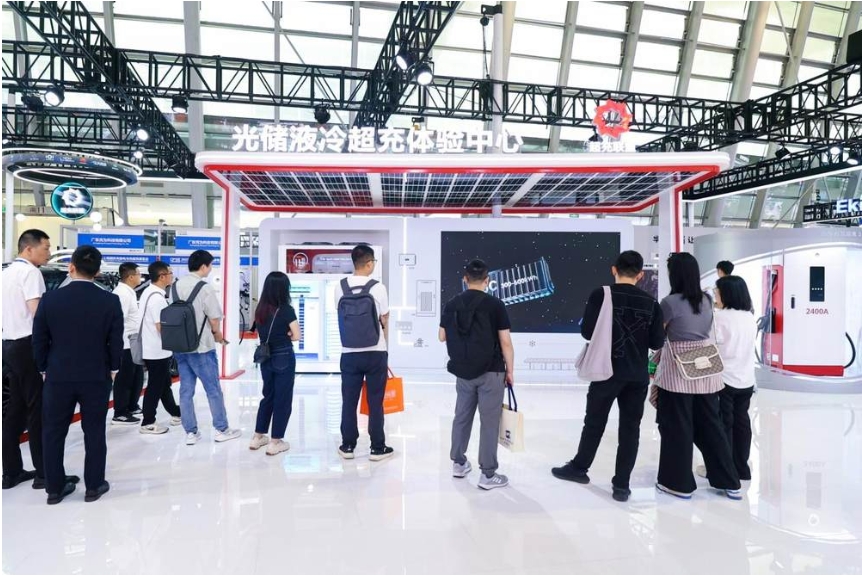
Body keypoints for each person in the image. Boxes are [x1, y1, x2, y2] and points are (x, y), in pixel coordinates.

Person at [551, 250, 665, 502]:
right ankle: (622, 485)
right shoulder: (651, 303)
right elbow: (657, 342)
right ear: (640, 274)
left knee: (594, 422)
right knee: (630, 429)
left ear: (614, 269)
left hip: (606, 370)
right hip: (637, 375)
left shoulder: (601, 294)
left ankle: (580, 468)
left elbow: (587, 332)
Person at [33, 245, 123, 504]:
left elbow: (39, 339)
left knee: (53, 431)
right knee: (94, 431)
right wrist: (114, 369)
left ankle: (54, 488)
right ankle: (94, 486)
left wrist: (43, 368)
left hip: (58, 375)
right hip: (96, 375)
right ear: (97, 271)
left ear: (71, 267)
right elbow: (115, 341)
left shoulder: (50, 299)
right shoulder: (109, 301)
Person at [654, 252, 741, 500]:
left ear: (674, 275)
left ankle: (677, 484)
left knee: (677, 428)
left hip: (678, 372)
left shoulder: (669, 303)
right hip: (705, 369)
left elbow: (658, 337)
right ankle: (730, 482)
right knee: (712, 428)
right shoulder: (706, 299)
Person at [440, 259, 514, 490]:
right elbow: (505, 342)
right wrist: (510, 371)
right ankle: (488, 475)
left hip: (463, 372)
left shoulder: (452, 304)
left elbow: (442, 336)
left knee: (461, 417)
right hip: (492, 371)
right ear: (487, 280)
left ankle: (459, 463)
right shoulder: (495, 305)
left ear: (465, 279)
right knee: (489, 422)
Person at [173, 250, 241, 445]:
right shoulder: (205, 288)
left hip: (180, 345)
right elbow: (214, 317)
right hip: (202, 347)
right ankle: (222, 429)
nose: (211, 269)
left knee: (186, 391)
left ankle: (190, 433)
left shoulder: (175, 286)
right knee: (213, 389)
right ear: (203, 266)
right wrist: (217, 334)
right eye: (210, 265)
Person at [2, 230, 52, 490]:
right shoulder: (31, 273)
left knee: (16, 408)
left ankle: (11, 472)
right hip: (27, 345)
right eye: (46, 248)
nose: (49, 253)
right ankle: (44, 473)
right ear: (29, 249)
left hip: (8, 344)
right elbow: (37, 314)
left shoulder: (6, 272)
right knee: (36, 408)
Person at [696, 275, 757, 482]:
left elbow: (709, 347)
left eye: (717, 292)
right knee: (742, 423)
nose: (715, 295)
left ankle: (725, 469)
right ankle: (742, 468)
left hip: (724, 379)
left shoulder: (719, 318)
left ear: (727, 294)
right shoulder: (750, 317)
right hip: (746, 379)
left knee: (723, 425)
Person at [336, 245, 393, 461]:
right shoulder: (378, 288)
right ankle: (377, 447)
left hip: (349, 352)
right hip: (375, 352)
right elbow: (385, 317)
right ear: (369, 263)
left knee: (349, 401)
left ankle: (348, 445)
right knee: (375, 401)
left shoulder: (339, 287)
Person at [249, 272, 301, 456]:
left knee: (268, 396)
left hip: (266, 357)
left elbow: (259, 332)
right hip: (283, 355)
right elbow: (297, 335)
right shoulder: (286, 309)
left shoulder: (260, 309)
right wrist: (287, 334)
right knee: (283, 398)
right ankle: (275, 441)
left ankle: (257, 437)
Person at [138, 261, 183, 435]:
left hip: (155, 349)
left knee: (164, 384)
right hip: (156, 350)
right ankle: (148, 422)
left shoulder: (149, 292)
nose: (172, 276)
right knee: (155, 387)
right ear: (162, 276)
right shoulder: (157, 299)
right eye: (170, 273)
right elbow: (161, 327)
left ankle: (176, 412)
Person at [111, 263, 144, 425]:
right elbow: (118, 320)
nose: (140, 277)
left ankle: (132, 406)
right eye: (139, 274)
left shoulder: (129, 292)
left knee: (136, 376)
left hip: (133, 342)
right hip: (125, 343)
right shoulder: (122, 294)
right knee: (124, 379)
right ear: (131, 277)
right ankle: (120, 412)